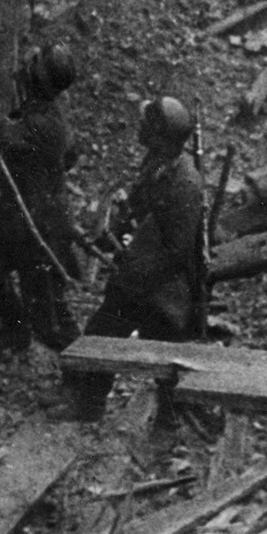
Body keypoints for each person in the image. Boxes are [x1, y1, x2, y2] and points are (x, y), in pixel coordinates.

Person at [68, 95, 206, 426]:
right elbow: (138, 208)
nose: (139, 128)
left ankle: (168, 421)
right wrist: (112, 234)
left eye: (147, 125)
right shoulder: (157, 162)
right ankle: (89, 408)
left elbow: (178, 252)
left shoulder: (185, 183)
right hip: (141, 274)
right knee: (101, 337)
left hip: (164, 289)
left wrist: (135, 279)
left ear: (160, 135)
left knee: (166, 358)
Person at [0, 42, 83, 351]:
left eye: (33, 63)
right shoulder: (42, 110)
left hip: (43, 226)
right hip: (19, 216)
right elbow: (68, 154)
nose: (25, 64)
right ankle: (15, 331)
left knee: (50, 320)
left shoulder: (47, 123)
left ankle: (86, 378)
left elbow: (3, 134)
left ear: (38, 79)